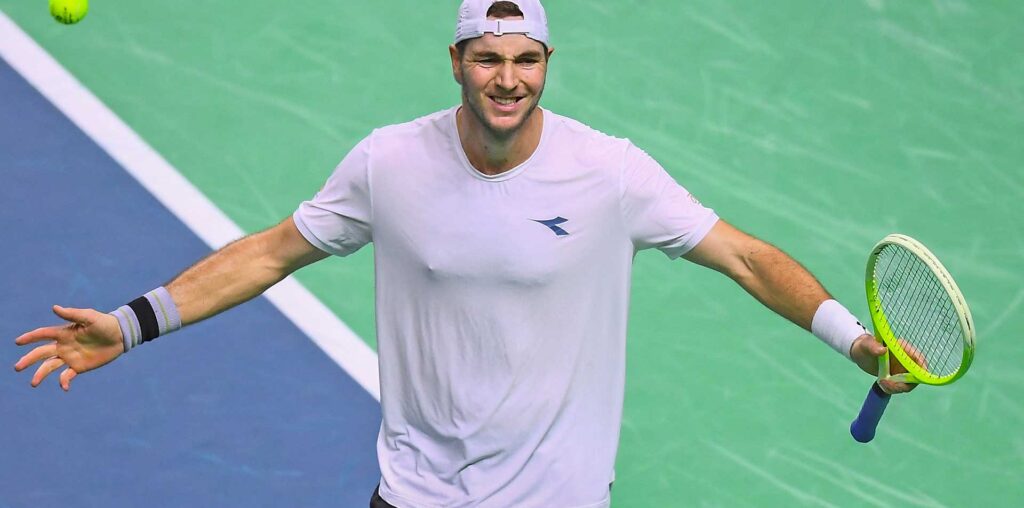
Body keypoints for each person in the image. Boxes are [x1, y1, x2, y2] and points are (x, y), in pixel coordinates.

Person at [13, 1, 916, 507]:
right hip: (416, 498)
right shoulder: (388, 163)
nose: (509, 78)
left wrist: (852, 341)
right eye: (489, 58)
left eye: (527, 59)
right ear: (455, 61)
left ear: (548, 64)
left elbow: (749, 259)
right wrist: (132, 325)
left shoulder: (609, 174)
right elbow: (271, 253)